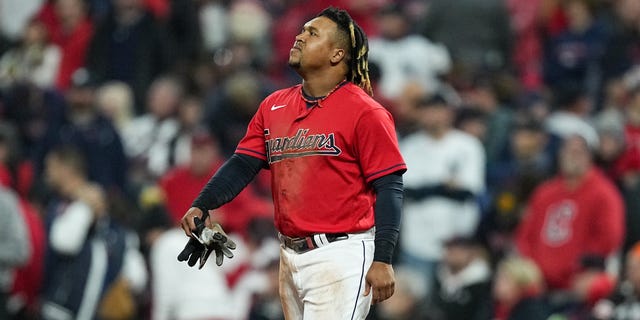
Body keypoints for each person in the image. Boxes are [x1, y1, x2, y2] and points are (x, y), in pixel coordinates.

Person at [178, 7, 407, 319]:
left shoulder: (365, 112)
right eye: (302, 30)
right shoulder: (274, 105)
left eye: (313, 33)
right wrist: (202, 204)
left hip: (341, 254)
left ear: (338, 54)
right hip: (289, 254)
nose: (300, 36)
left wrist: (383, 257)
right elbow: (243, 163)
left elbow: (389, 186)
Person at [515, 135, 625, 291]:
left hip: (578, 284)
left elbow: (609, 238)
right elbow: (525, 234)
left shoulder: (604, 194)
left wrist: (583, 269)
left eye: (578, 152)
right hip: (539, 283)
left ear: (589, 157)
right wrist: (530, 269)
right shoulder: (545, 192)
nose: (572, 157)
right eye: (568, 151)